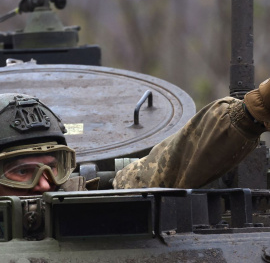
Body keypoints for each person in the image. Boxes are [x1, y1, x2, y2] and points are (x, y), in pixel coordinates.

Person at [0, 78, 269, 196]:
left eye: (54, 168)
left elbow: (169, 165)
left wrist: (252, 110)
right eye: (24, 172)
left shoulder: (70, 200)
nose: (46, 185)